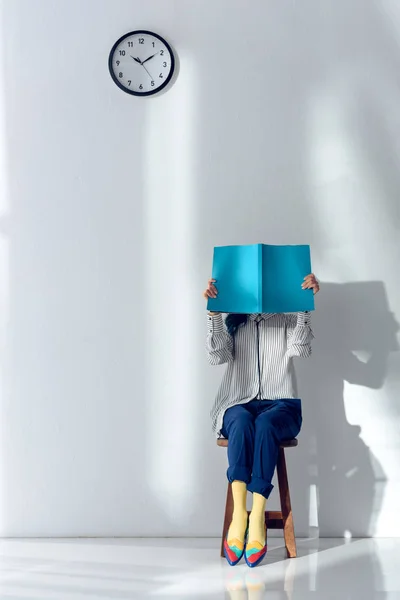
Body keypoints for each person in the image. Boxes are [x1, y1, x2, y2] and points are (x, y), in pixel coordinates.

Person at [204, 274, 319, 567]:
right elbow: (216, 356)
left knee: (266, 425)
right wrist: (215, 314)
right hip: (236, 401)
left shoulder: (285, 318)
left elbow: (301, 349)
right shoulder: (235, 321)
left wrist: (303, 306)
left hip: (282, 404)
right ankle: (239, 514)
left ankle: (257, 516)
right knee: (242, 423)